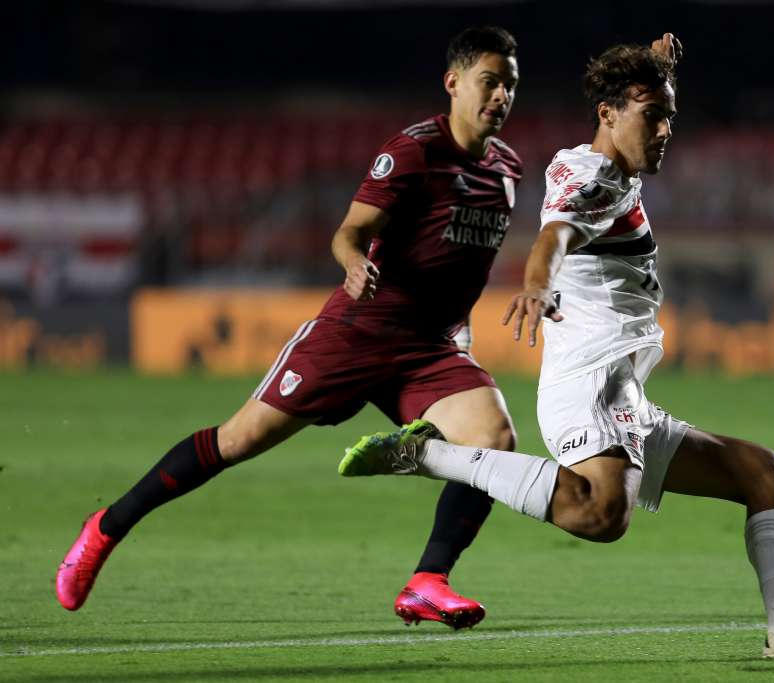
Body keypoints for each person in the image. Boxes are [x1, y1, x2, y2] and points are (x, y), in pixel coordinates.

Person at [339, 34, 774, 658]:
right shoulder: (593, 176)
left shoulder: (610, 172)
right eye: (652, 116)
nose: (664, 131)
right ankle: (427, 457)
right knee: (602, 516)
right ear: (608, 114)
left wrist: (655, 72)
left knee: (768, 475)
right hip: (591, 385)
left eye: (669, 116)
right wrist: (538, 285)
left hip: (623, 389)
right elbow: (555, 235)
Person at [57, 25, 523, 630]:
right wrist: (355, 262)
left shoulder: (508, 169)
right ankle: (104, 529)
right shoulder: (414, 150)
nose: (501, 96)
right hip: (356, 334)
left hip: (428, 349)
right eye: (490, 82)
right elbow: (349, 232)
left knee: (493, 441)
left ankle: (427, 582)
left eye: (510, 85)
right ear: (454, 83)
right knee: (237, 442)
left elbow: (462, 266)